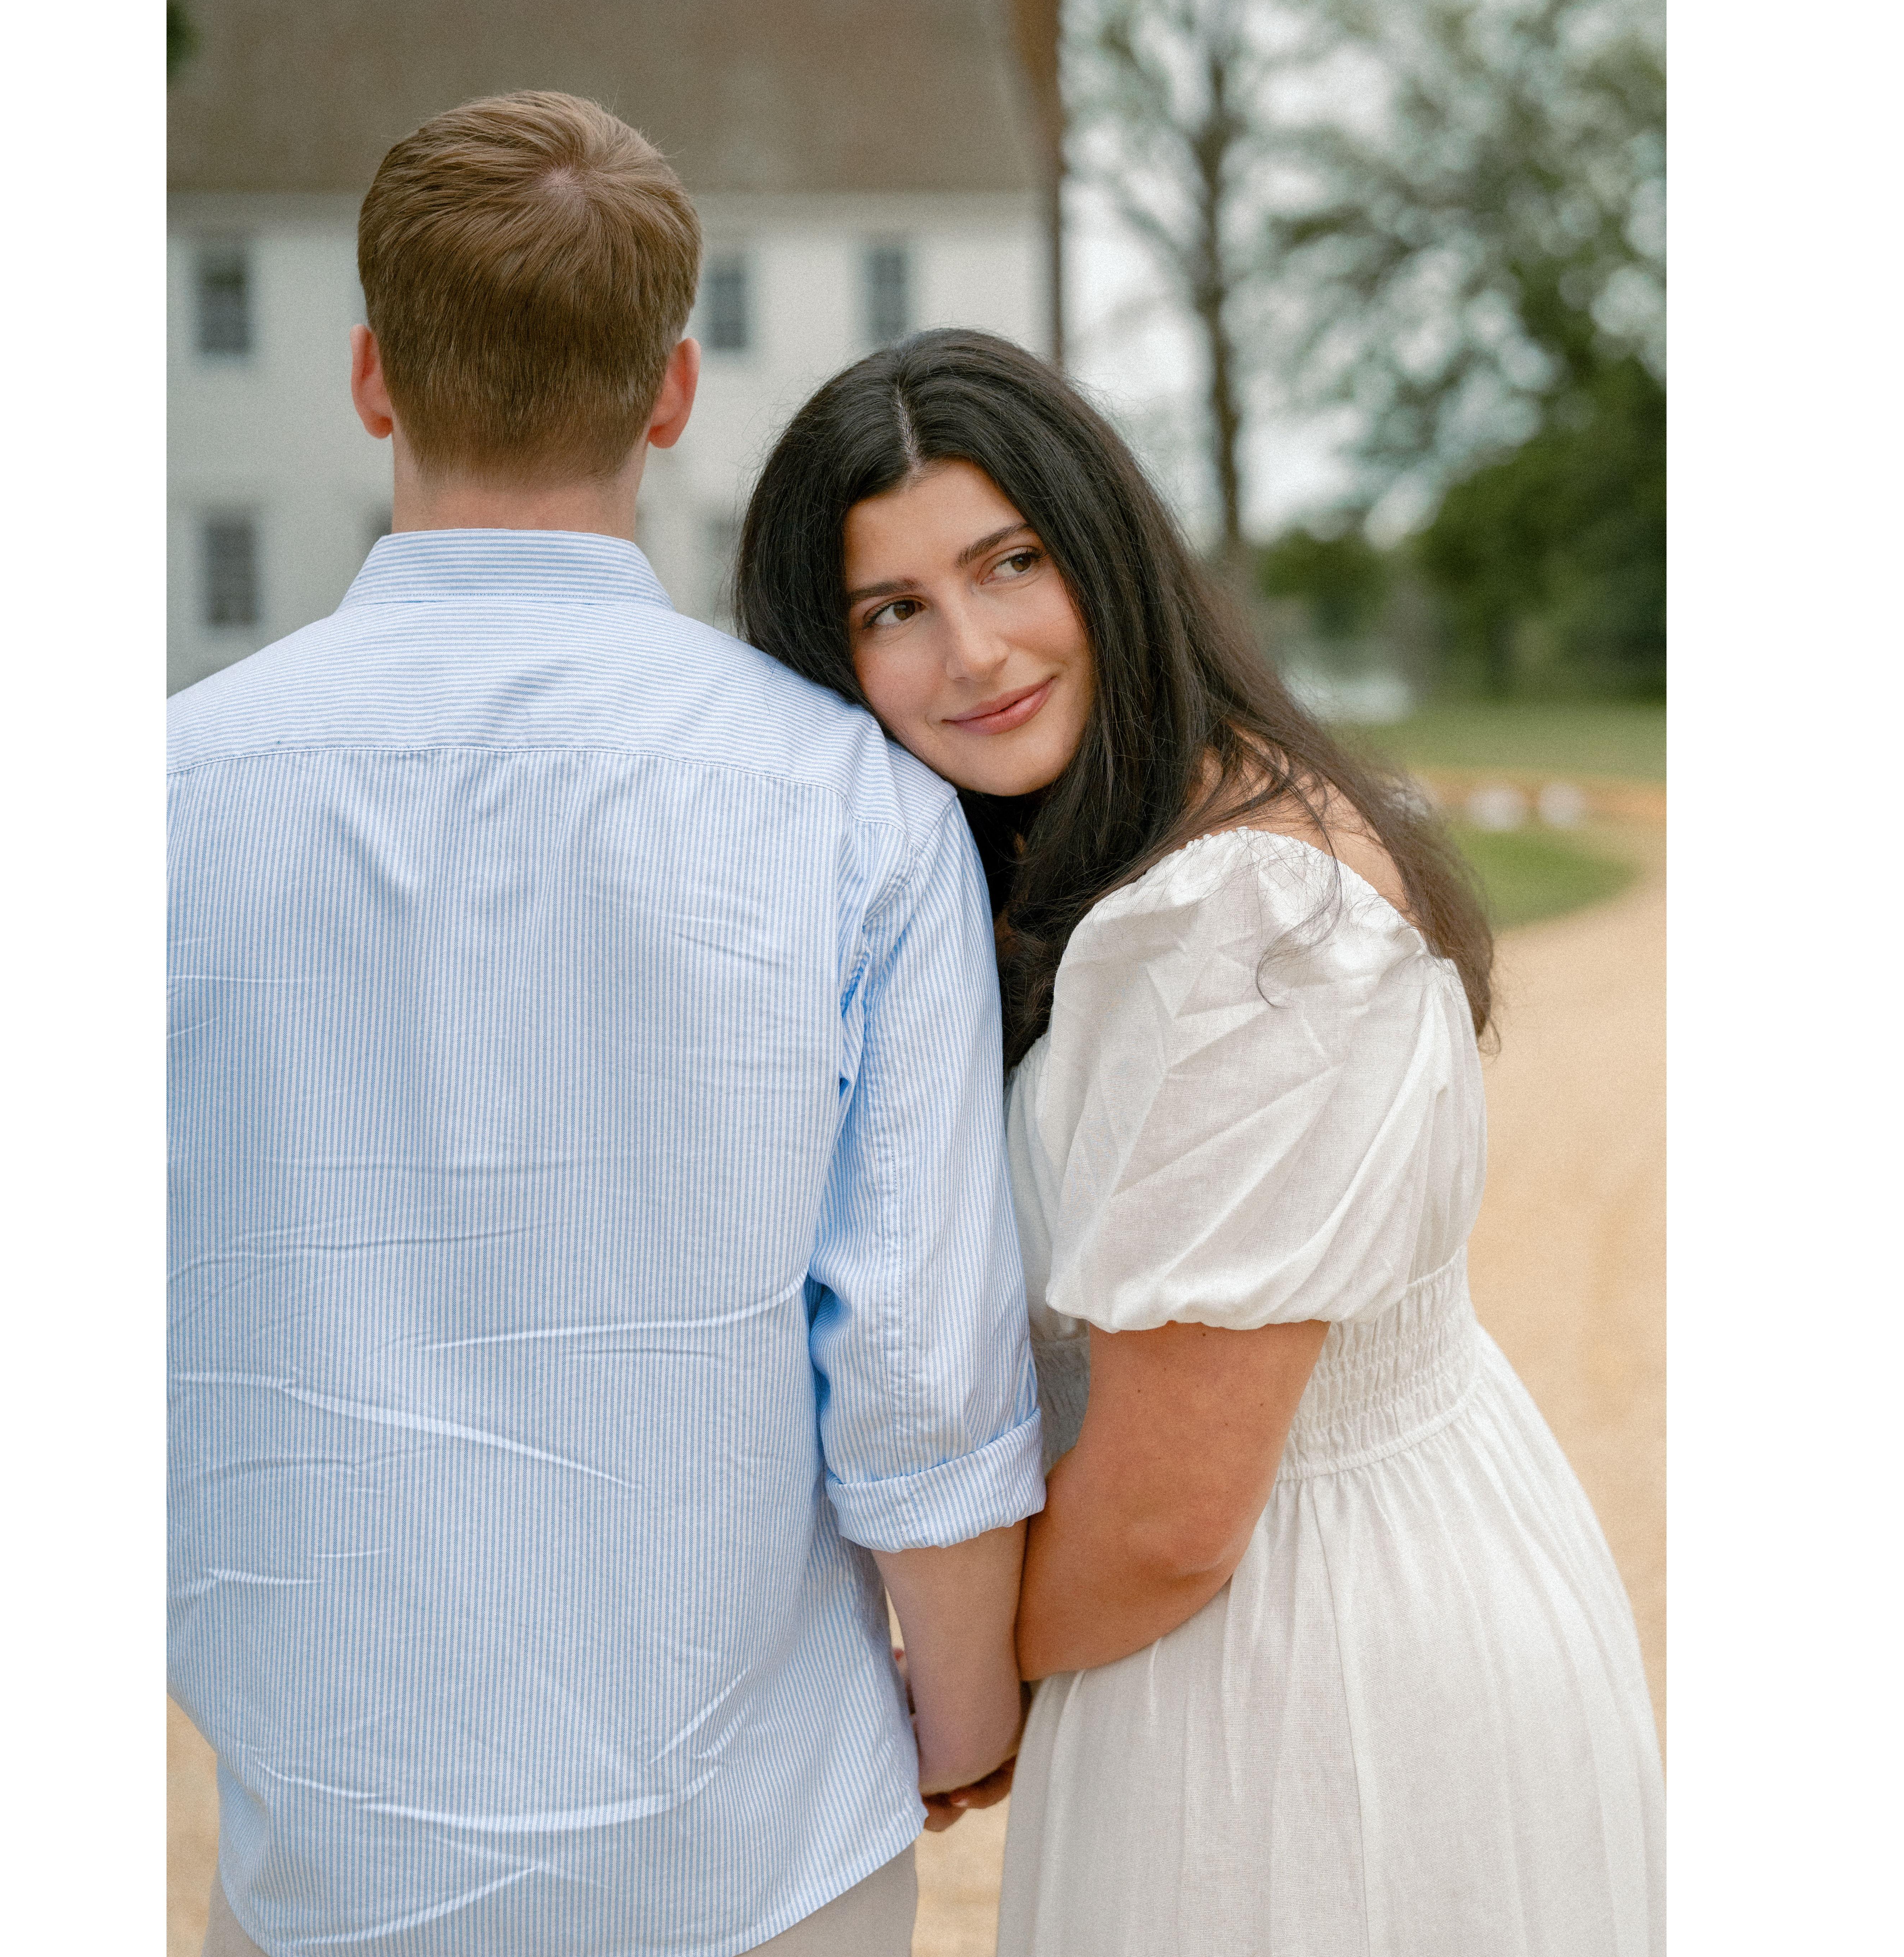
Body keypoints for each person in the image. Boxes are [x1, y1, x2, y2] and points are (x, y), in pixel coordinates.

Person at [168, 95, 1044, 1957]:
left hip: (330, 1856)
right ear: (671, 392)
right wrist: (964, 1712)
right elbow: (916, 1361)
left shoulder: (167, 802)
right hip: (751, 1858)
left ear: (369, 377)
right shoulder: (852, 808)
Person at [736, 328, 1668, 1955]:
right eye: (895, 610)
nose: (973, 651)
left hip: (1301, 1658)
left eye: (1010, 563)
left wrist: (965, 1695)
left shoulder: (1241, 919)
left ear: (1102, 548)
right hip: (1267, 1601)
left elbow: (1173, 1515)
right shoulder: (1157, 847)